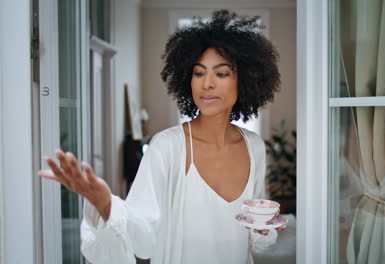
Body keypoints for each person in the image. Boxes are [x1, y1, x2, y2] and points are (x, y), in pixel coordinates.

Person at [38, 9, 284, 264]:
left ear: (244, 80)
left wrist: (264, 229)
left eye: (221, 73)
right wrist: (105, 204)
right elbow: (142, 233)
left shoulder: (254, 146)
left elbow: (256, 236)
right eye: (198, 73)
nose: (206, 84)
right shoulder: (168, 147)